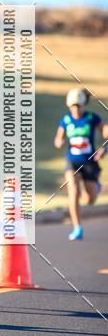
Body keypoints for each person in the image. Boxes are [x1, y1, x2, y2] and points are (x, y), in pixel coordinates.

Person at [54, 88, 107, 241]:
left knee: (89, 200)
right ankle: (77, 228)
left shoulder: (92, 118)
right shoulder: (65, 120)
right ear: (69, 106)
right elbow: (58, 138)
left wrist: (104, 148)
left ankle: (95, 188)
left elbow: (105, 131)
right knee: (73, 190)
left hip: (89, 162)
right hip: (72, 161)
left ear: (83, 105)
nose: (76, 109)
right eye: (73, 106)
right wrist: (59, 141)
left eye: (78, 106)